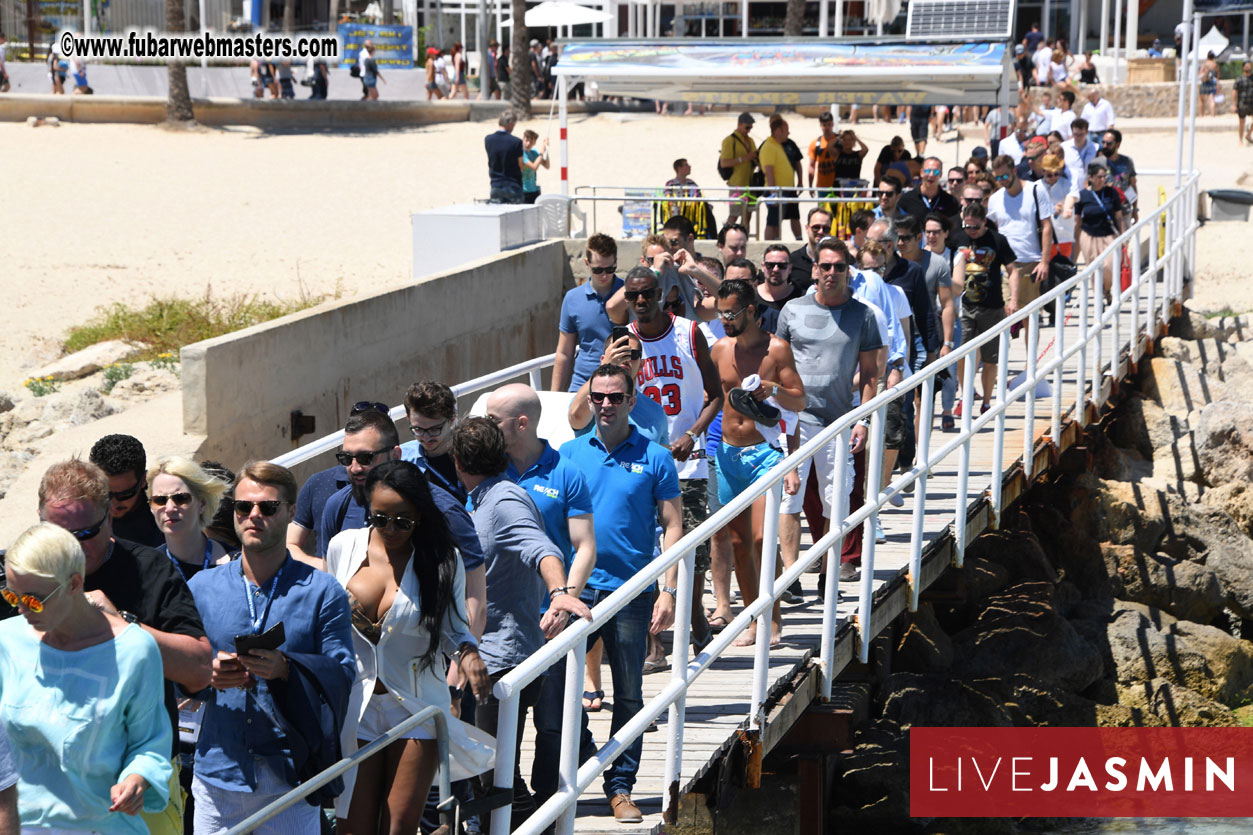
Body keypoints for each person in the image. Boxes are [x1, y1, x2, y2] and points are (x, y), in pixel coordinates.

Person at [19, 458, 211, 835]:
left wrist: (120, 624)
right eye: (57, 534)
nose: (71, 548)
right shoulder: (20, 578)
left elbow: (199, 669)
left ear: (110, 517)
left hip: (137, 782)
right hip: (47, 788)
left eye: (85, 533)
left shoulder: (150, 569)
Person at [325, 460, 494, 833]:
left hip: (415, 707)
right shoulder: (342, 547)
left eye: (403, 521)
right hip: (356, 706)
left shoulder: (442, 559)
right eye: (380, 518)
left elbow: (454, 629)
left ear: (420, 514)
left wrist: (468, 654)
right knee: (353, 828)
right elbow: (324, 620)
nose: (390, 529)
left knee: (399, 827)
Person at [187, 461, 355, 834]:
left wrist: (286, 669)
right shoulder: (201, 587)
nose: (254, 515)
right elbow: (175, 671)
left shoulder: (323, 591)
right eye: (243, 507)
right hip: (219, 775)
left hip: (291, 778)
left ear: (291, 511)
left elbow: (343, 673)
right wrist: (208, 674)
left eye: (268, 507)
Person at [452, 418, 593, 827]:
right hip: (488, 657)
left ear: (457, 461)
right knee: (489, 776)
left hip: (504, 661)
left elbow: (541, 548)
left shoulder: (504, 502)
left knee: (494, 777)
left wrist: (559, 592)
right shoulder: (484, 499)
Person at [561, 364, 682, 824]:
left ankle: (620, 787)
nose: (606, 404)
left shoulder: (656, 457)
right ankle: (591, 757)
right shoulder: (569, 454)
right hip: (576, 590)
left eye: (616, 397)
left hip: (632, 592)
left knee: (629, 694)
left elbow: (673, 525)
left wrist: (667, 589)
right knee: (560, 691)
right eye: (599, 397)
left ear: (633, 401)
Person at [0, 522, 173, 834]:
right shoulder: (6, 640)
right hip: (19, 825)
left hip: (101, 826)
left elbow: (150, 741)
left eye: (34, 600)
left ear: (74, 583)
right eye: (12, 597)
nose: (22, 610)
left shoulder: (133, 649)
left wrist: (136, 779)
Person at [624, 266, 723, 667]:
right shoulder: (623, 341)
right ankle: (655, 642)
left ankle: (695, 614)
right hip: (642, 463)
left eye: (648, 293)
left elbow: (716, 395)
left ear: (660, 294)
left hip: (687, 461)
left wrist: (692, 435)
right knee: (646, 549)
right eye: (633, 296)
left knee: (691, 549)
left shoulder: (688, 333)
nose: (641, 301)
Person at [776, 239, 882, 585]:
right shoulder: (792, 310)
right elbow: (776, 363)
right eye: (826, 266)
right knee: (789, 498)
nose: (832, 272)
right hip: (795, 419)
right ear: (815, 270)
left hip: (839, 420)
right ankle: (790, 576)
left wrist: (862, 420)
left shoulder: (863, 315)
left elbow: (870, 373)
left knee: (835, 500)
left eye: (839, 266)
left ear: (849, 271)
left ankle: (827, 570)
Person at [708, 279, 806, 639]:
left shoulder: (777, 350)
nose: (725, 320)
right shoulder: (720, 350)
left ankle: (773, 616)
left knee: (763, 539)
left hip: (764, 452)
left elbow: (800, 401)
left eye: (731, 314)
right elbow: (710, 398)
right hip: (727, 454)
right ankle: (754, 617)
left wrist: (775, 389)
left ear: (750, 310)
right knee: (737, 544)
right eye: (720, 314)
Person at [951, 203, 1020, 414]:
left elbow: (1013, 270)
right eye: (967, 226)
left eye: (975, 227)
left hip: (992, 307)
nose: (971, 231)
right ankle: (965, 395)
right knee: (962, 355)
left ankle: (987, 401)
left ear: (984, 222)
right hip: (965, 307)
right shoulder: (957, 239)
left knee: (991, 359)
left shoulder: (998, 240)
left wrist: (1013, 300)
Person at [316, 408, 402, 554]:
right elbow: (329, 567)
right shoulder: (337, 506)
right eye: (347, 458)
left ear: (395, 456)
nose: (355, 468)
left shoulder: (433, 504)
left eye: (366, 458)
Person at [986, 153, 1053, 340]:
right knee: (1005, 314)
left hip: (1031, 262)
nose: (1002, 180)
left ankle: (1031, 357)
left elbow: (1047, 226)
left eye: (1005, 175)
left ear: (1014, 171)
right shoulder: (995, 199)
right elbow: (992, 230)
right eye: (998, 177)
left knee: (1030, 316)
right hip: (1005, 264)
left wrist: (1044, 262)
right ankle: (1003, 356)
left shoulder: (1035, 190)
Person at [567, 331, 670, 446]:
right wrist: (605, 367)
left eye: (632, 354)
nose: (624, 359)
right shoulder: (593, 399)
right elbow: (576, 417)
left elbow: (663, 455)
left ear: (641, 364)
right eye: (617, 352)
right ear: (603, 360)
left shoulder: (656, 411)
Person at [554, 233, 623, 392]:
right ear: (587, 263)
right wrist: (554, 395)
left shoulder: (628, 294)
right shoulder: (572, 298)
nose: (604, 275)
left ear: (616, 263)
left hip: (620, 383)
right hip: (582, 383)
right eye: (598, 270)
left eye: (610, 269)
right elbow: (564, 352)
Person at [148, 456, 232, 582]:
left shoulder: (236, 564)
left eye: (180, 498)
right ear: (151, 508)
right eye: (159, 500)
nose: (169, 508)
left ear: (202, 504)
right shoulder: (145, 569)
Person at [89, 433, 164, 548]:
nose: (113, 503)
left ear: (143, 480)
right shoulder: (80, 509)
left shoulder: (163, 510)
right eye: (105, 493)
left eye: (125, 494)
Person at [1066, 163, 1126, 301]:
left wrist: (1124, 238)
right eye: (1100, 177)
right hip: (1088, 236)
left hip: (1109, 235)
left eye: (1105, 176)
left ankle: (1107, 289)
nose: (1103, 179)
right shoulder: (1083, 195)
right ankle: (1099, 296)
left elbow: (1119, 217)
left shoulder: (1112, 193)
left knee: (1109, 266)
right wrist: (1075, 240)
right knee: (1094, 268)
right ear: (1091, 178)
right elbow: (1077, 221)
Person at [719, 112, 759, 228]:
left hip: (750, 183)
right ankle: (724, 235)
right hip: (737, 184)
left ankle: (744, 235)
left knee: (748, 215)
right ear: (739, 124)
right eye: (747, 127)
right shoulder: (729, 141)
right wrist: (744, 158)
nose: (749, 130)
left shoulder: (750, 140)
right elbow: (724, 163)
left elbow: (754, 157)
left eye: (751, 128)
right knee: (734, 214)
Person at [898, 156, 960, 221]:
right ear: (921, 173)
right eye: (928, 171)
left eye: (936, 172)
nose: (931, 175)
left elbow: (954, 225)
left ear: (941, 174)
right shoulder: (906, 200)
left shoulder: (950, 201)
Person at [485, 109, 525, 204]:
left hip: (495, 185)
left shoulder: (488, 139)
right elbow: (521, 165)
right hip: (513, 185)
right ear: (510, 124)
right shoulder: (516, 142)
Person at [1097, 128, 1137, 220]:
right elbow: (1090, 187)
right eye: (1103, 142)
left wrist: (1135, 209)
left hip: (1124, 211)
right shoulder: (1097, 163)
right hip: (1103, 212)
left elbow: (1132, 186)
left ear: (1117, 144)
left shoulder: (1127, 162)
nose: (1105, 146)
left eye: (1109, 143)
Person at [788, 207, 832, 286]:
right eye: (816, 227)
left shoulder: (839, 261)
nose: (820, 231)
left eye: (826, 229)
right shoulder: (792, 260)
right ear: (807, 228)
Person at [1062, 117, 1098, 190]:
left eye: (1081, 134)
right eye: (1075, 134)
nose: (1078, 137)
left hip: (1088, 189)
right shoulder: (1063, 147)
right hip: (1068, 188)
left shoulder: (1095, 148)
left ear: (1087, 132)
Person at [521, 129, 549, 204]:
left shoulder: (534, 152)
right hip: (523, 191)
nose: (528, 144)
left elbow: (547, 165)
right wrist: (542, 152)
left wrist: (546, 150)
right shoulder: (521, 154)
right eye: (526, 140)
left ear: (534, 143)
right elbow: (534, 167)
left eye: (531, 142)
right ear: (523, 139)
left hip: (534, 190)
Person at [1235, 62, 1253, 144]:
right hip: (1242, 103)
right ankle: (1240, 140)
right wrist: (1234, 104)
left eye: (1249, 66)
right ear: (1243, 68)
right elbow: (1234, 91)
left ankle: (1248, 135)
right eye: (1246, 66)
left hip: (1252, 103)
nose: (1248, 67)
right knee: (1241, 122)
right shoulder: (1239, 79)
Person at [1201, 52, 1221, 118]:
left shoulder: (1205, 63)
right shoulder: (1215, 64)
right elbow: (1218, 75)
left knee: (1202, 99)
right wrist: (1218, 84)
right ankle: (1212, 115)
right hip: (1213, 82)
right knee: (1212, 99)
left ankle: (1201, 115)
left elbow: (1201, 72)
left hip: (1205, 81)